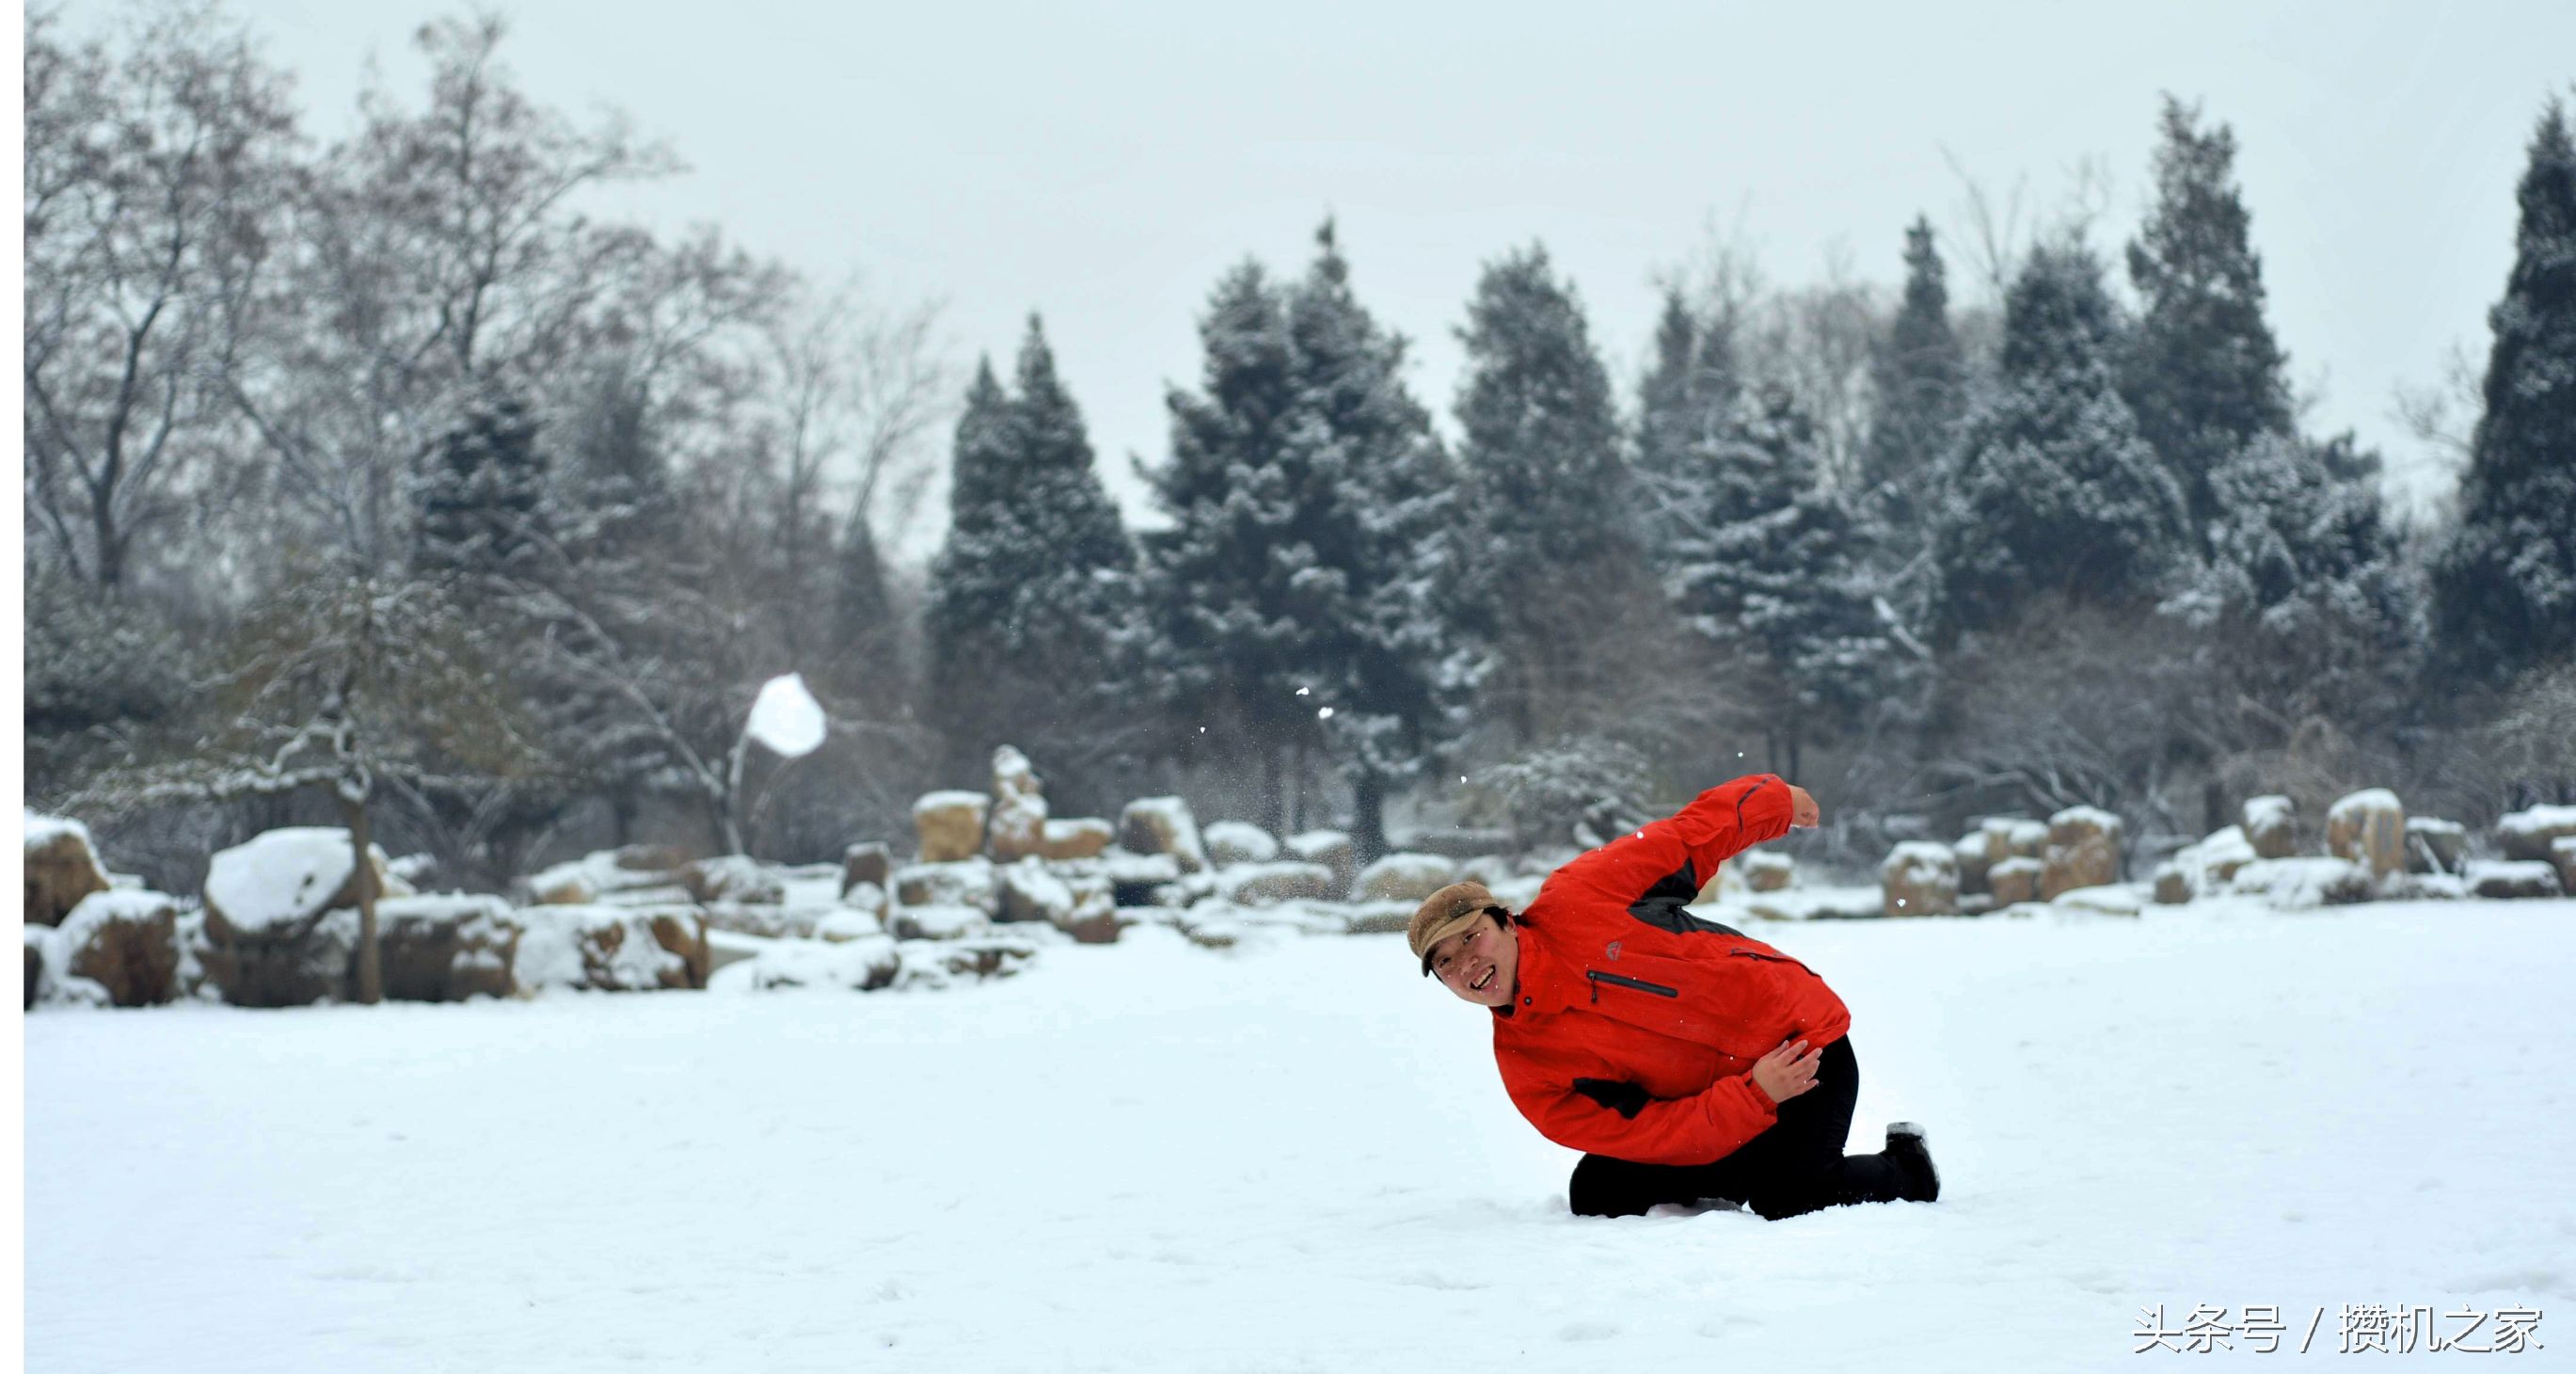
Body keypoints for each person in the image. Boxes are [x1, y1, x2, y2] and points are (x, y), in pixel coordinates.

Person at [1408, 773, 1940, 1220]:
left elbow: (1688, 838)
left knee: (1790, 1197)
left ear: (1507, 920)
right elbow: (1653, 1134)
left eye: (1471, 937)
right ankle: (1756, 1156)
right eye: (1445, 962)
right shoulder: (1530, 1071)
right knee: (1597, 1191)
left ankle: (1908, 1164)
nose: (1467, 964)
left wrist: (1773, 801)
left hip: (1799, 1049)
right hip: (1729, 1099)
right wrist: (1752, 1098)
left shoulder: (1582, 896)